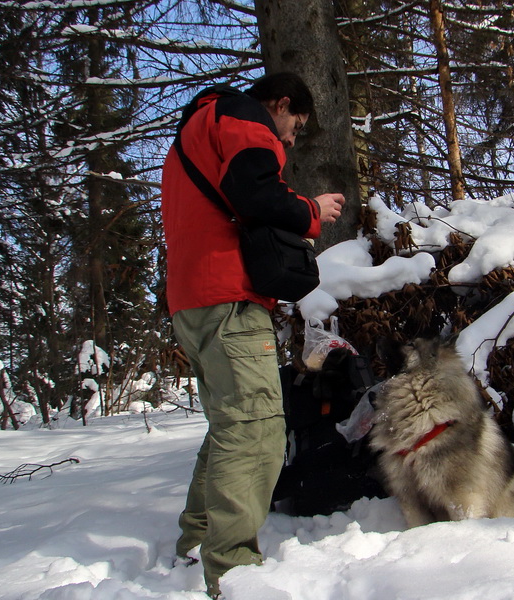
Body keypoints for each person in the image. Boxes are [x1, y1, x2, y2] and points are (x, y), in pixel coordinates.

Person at [160, 72, 345, 599]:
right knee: (258, 429)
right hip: (228, 299)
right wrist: (311, 211)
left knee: (229, 425)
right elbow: (256, 193)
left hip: (192, 301)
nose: (289, 139)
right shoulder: (244, 118)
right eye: (294, 126)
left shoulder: (194, 130)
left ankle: (196, 541)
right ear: (281, 104)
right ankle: (234, 575)